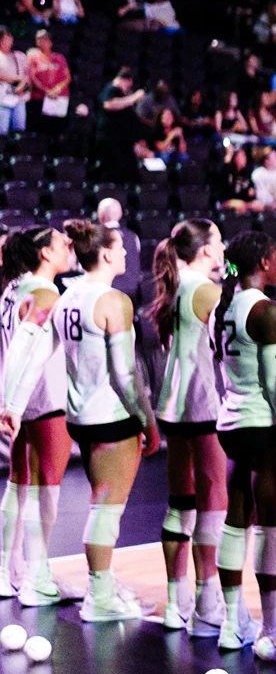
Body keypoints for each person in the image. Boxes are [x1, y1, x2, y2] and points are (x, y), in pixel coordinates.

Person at [3, 222, 159, 623]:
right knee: (90, 505)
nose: (125, 254)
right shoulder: (91, 297)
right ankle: (80, 590)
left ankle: (28, 573)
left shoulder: (49, 294)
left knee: (43, 492)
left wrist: (12, 403)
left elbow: (30, 353)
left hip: (66, 414)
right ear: (105, 254)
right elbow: (124, 373)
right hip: (86, 410)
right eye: (120, 248)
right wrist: (147, 419)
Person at [209, 232, 276, 660]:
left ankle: (231, 624)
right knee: (272, 528)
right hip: (263, 426)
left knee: (235, 522)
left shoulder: (222, 307)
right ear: (263, 263)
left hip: (231, 422)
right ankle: (273, 629)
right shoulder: (267, 311)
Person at [150, 221, 229, 634]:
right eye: (219, 241)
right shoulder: (206, 290)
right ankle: (208, 601)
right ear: (206, 250)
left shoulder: (178, 284)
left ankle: (175, 600)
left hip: (173, 403)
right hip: (203, 402)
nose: (223, 247)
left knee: (180, 503)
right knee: (213, 498)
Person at [0, 228, 75, 605]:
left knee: (19, 484)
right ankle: (37, 576)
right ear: (45, 253)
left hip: (21, 400)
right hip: (42, 400)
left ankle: (7, 570)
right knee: (46, 488)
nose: (69, 249)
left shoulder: (11, 289)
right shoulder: (45, 293)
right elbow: (23, 351)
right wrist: (10, 404)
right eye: (62, 245)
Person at [0, 30, 28, 134]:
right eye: (6, 38)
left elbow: (27, 75)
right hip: (2, 97)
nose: (10, 40)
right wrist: (12, 78)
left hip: (18, 97)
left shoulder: (19, 56)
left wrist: (22, 85)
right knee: (2, 130)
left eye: (10, 37)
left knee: (19, 128)